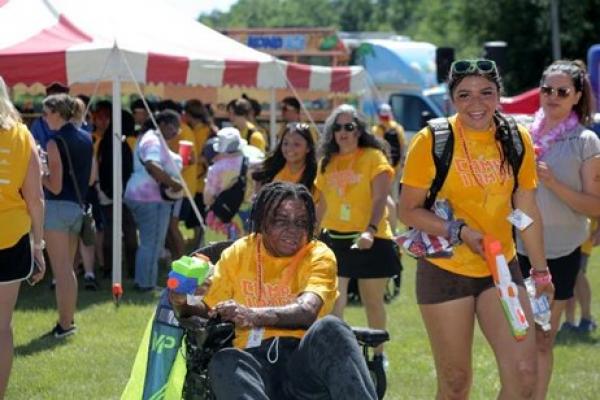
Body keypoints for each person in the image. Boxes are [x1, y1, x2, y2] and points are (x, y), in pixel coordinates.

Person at [398, 59, 554, 399]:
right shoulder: (432, 140)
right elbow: (407, 211)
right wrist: (459, 231)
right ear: (452, 100)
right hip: (446, 269)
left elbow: (526, 209)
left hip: (502, 270)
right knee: (456, 383)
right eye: (464, 95)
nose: (476, 103)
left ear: (499, 95)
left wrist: (540, 272)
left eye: (486, 93)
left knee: (525, 375)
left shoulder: (516, 139)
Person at [169, 182, 377, 400]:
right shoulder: (239, 252)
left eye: (301, 223)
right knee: (225, 360)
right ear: (263, 222)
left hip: (304, 364)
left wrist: (252, 315)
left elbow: (307, 311)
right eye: (281, 221)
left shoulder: (318, 254)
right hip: (253, 362)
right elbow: (210, 309)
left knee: (331, 327)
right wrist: (181, 302)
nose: (293, 231)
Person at [516, 59, 600, 399]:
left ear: (577, 96)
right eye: (547, 89)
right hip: (518, 248)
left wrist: (551, 182)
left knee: (542, 338)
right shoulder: (520, 132)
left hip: (562, 254)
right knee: (518, 338)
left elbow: (594, 206)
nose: (552, 96)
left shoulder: (586, 141)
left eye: (562, 91)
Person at [314, 104, 401, 366]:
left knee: (371, 300)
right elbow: (323, 203)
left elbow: (380, 200)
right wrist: (312, 234)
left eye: (349, 126)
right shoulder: (326, 162)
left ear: (359, 130)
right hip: (335, 239)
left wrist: (371, 230)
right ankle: (338, 355)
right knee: (334, 300)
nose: (343, 132)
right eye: (337, 127)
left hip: (371, 238)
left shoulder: (374, 157)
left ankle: (379, 356)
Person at [0, 75, 46, 399]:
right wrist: (39, 245)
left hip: (12, 236)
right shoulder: (21, 135)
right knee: (1, 327)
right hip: (12, 237)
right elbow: (35, 198)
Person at [42, 93, 93, 337]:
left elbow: (55, 185)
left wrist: (39, 173)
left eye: (46, 113)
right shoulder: (86, 137)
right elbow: (92, 178)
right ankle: (67, 321)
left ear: (58, 113)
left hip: (58, 208)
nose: (44, 118)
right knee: (68, 270)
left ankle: (64, 325)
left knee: (61, 271)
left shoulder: (54, 142)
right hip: (77, 208)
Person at [124, 109, 183, 291]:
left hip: (143, 196)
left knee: (149, 242)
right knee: (152, 242)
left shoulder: (149, 138)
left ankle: (143, 281)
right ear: (163, 124)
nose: (176, 132)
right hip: (150, 198)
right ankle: (146, 284)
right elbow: (152, 164)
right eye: (174, 127)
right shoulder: (152, 139)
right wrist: (173, 183)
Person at [203, 127, 249, 242]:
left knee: (217, 254)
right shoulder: (251, 162)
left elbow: (207, 199)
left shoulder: (216, 168)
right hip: (245, 215)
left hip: (221, 217)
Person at [252, 122, 317, 193]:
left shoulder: (317, 176)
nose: (289, 148)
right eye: (285, 143)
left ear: (308, 148)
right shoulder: (271, 173)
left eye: (296, 144)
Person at [562, 219, 598, 333]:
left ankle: (586, 319)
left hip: (582, 238)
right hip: (562, 238)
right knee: (567, 279)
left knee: (577, 274)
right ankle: (569, 321)